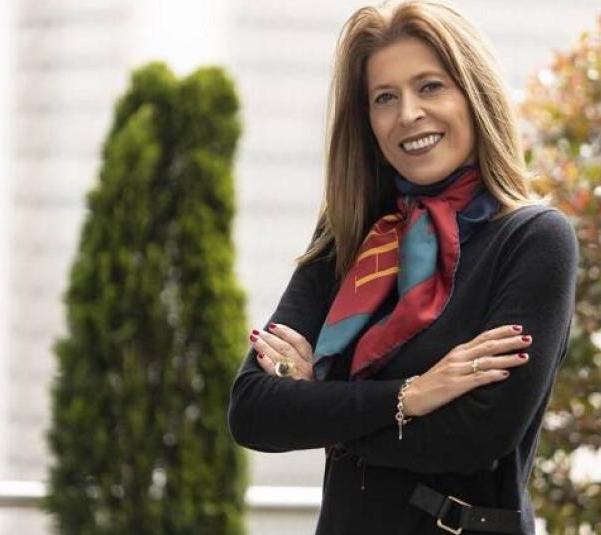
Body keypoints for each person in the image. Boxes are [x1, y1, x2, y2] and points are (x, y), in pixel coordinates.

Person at [227, 1, 578, 533]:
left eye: (430, 87)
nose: (408, 113)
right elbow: (253, 411)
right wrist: (410, 396)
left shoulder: (533, 239)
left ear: (475, 96)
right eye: (384, 98)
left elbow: (478, 436)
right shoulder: (349, 234)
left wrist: (319, 408)